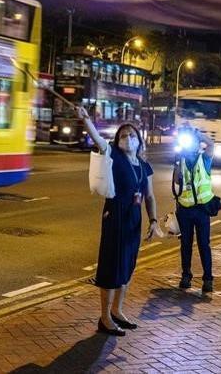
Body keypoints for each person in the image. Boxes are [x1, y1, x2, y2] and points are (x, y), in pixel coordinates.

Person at [75, 108, 162, 336]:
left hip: (134, 219)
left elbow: (150, 196)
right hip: (115, 215)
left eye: (132, 135)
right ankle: (104, 318)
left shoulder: (144, 166)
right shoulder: (113, 155)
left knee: (127, 266)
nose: (127, 139)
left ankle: (117, 311)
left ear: (139, 140)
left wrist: (153, 220)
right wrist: (85, 118)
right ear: (117, 140)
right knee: (111, 266)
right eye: (123, 135)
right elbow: (97, 140)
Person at [173, 126, 215, 293]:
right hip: (185, 209)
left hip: (202, 210)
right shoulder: (180, 160)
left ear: (198, 144)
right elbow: (177, 181)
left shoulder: (204, 158)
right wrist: (177, 161)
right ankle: (186, 275)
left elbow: (211, 145)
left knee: (204, 244)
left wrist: (198, 134)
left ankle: (208, 279)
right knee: (186, 244)